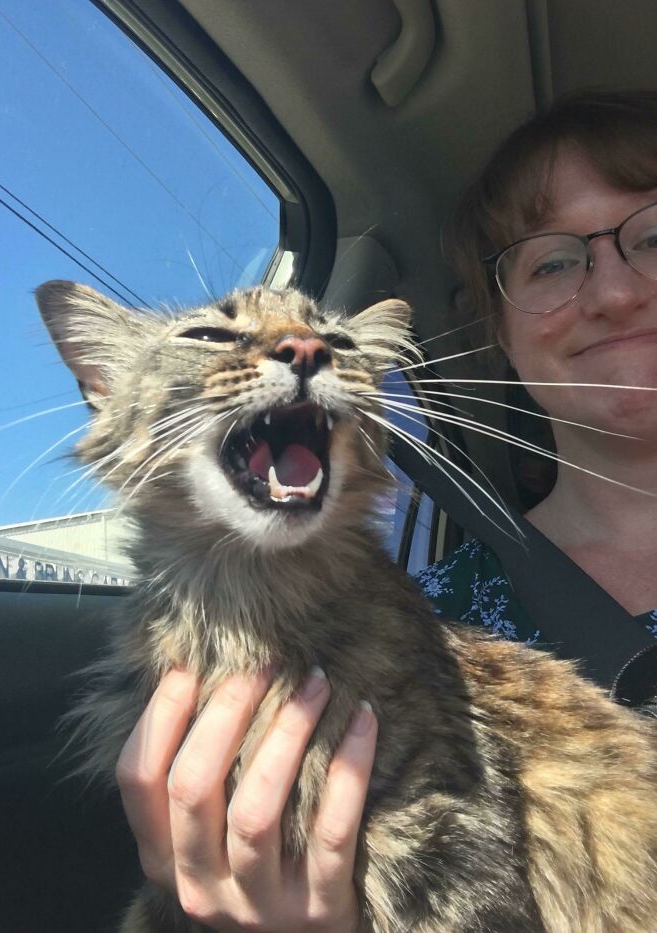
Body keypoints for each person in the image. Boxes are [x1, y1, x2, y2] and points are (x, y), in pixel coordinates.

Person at [115, 90, 657, 931]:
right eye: (553, 262)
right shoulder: (434, 604)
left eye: (656, 235)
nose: (616, 293)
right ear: (498, 326)